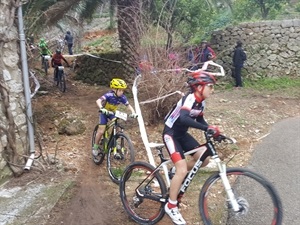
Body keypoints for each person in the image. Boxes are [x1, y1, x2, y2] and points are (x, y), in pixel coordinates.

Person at [162, 72, 221, 225]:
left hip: (182, 134)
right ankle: (171, 205)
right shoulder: (190, 98)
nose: (212, 90)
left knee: (204, 158)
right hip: (171, 134)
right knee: (182, 169)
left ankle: (175, 173)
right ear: (199, 87)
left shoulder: (201, 102)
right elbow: (184, 118)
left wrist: (211, 130)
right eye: (210, 86)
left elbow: (199, 118)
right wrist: (206, 128)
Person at [92, 78, 138, 156]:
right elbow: (98, 101)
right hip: (104, 113)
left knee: (116, 126)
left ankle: (115, 143)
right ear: (114, 89)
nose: (121, 92)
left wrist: (133, 112)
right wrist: (101, 108)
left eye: (123, 90)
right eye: (120, 90)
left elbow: (128, 105)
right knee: (101, 131)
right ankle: (95, 147)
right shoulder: (109, 95)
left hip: (112, 113)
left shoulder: (122, 97)